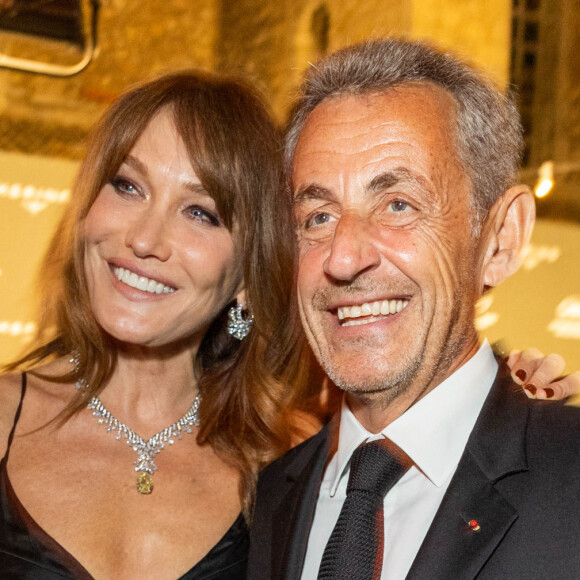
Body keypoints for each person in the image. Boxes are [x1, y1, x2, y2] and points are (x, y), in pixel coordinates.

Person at [248, 38, 580, 579]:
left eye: (397, 205)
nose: (344, 257)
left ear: (499, 240)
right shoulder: (271, 501)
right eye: (318, 217)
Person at [0, 70, 307, 579]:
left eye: (201, 213)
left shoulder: (290, 465)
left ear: (247, 278)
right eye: (127, 186)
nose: (144, 239)